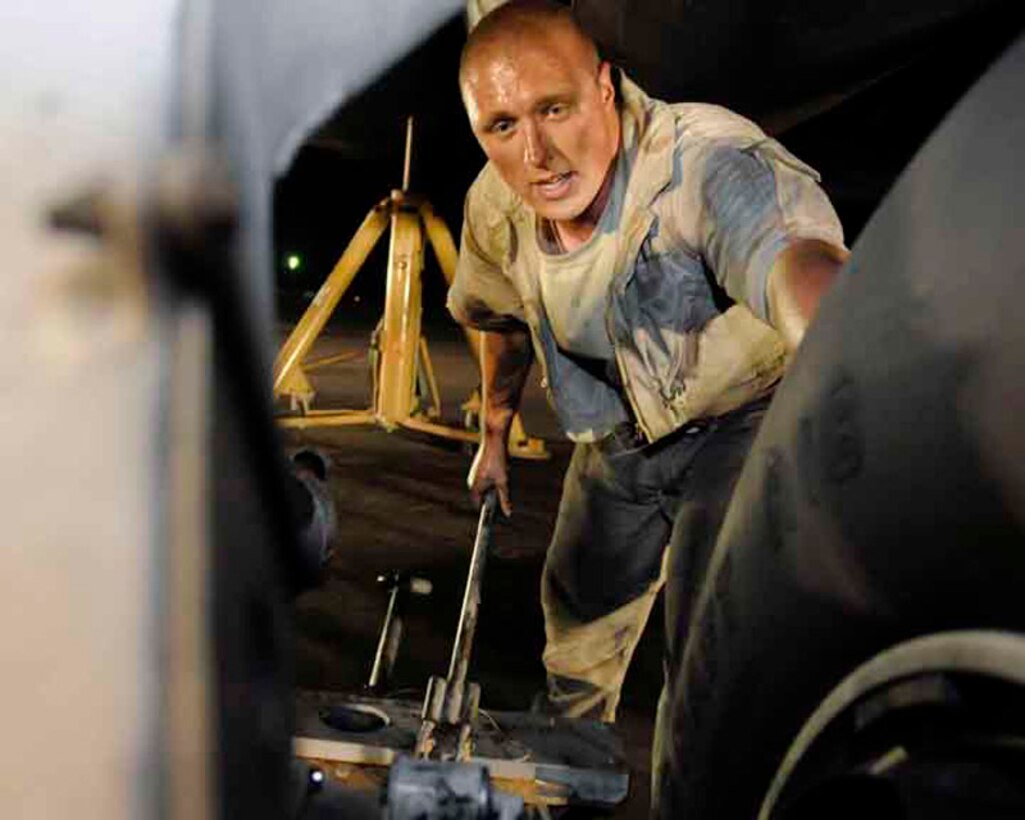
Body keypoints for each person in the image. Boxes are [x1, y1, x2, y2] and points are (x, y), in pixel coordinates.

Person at [446, 0, 847, 801]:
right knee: (577, 622)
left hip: (743, 420)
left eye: (553, 109)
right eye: (501, 125)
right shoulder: (495, 207)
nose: (536, 155)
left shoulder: (702, 159)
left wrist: (850, 360)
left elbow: (793, 264)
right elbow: (497, 317)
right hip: (616, 433)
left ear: (604, 87)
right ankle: (563, 788)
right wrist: (494, 432)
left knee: (710, 649)